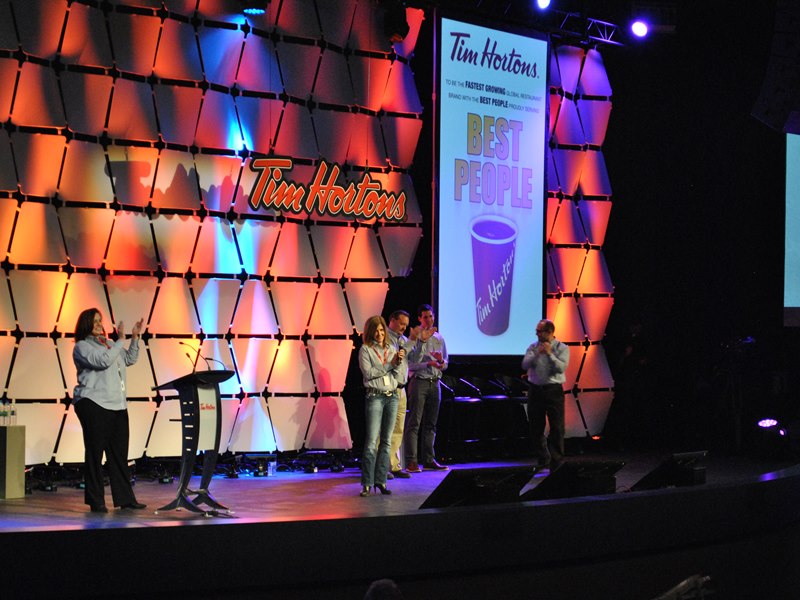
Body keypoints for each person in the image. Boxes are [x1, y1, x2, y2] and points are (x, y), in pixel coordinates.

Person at [72, 308, 146, 513]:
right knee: (95, 454)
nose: (99, 324)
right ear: (86, 324)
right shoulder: (82, 346)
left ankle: (125, 499)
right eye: (94, 321)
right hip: (93, 403)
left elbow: (129, 359)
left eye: (100, 321)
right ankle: (96, 501)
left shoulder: (110, 344)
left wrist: (134, 338)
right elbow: (102, 361)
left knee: (119, 454)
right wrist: (120, 340)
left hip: (117, 404)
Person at [358, 315, 403, 496]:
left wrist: (398, 363)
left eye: (382, 330)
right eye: (376, 330)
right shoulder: (365, 350)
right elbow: (368, 374)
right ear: (370, 332)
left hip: (392, 396)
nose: (380, 334)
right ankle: (367, 484)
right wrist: (389, 365)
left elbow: (396, 372)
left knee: (386, 441)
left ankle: (381, 481)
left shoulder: (391, 348)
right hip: (375, 397)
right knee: (371, 443)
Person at [403, 304, 448, 473]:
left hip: (435, 382)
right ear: (419, 319)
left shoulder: (439, 338)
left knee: (431, 424)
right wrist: (427, 362)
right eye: (425, 317)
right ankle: (411, 461)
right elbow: (410, 364)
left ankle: (429, 459)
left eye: (431, 316)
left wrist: (441, 362)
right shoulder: (414, 337)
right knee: (415, 423)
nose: (429, 319)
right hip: (420, 382)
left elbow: (446, 364)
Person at [521, 318, 570, 472]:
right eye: (536, 331)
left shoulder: (562, 348)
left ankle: (557, 462)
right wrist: (536, 355)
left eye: (539, 331)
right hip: (535, 389)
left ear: (549, 332)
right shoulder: (533, 347)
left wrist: (549, 355)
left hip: (553, 390)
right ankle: (543, 458)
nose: (536, 334)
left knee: (557, 427)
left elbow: (561, 368)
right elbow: (525, 364)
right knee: (535, 427)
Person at [385, 310, 417, 479]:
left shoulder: (404, 340)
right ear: (392, 320)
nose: (404, 328)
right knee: (386, 428)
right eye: (401, 324)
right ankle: (382, 466)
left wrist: (420, 340)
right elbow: (393, 359)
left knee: (398, 428)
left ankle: (394, 465)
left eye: (406, 325)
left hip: (402, 389)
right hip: (388, 388)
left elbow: (414, 357)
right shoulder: (385, 338)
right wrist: (411, 342)